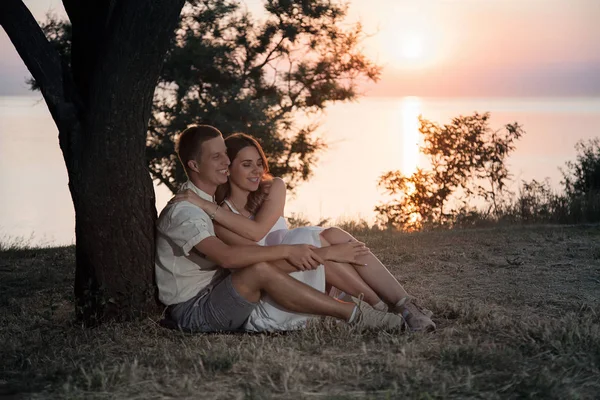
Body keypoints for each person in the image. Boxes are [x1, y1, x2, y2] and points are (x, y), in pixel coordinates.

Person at [170, 132, 436, 332]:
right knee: (307, 238)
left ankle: (402, 304)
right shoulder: (221, 219)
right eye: (246, 164)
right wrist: (326, 253)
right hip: (278, 291)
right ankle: (378, 306)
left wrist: (324, 251)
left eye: (259, 163)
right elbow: (262, 262)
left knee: (328, 234)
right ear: (229, 169)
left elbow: (259, 230)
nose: (257, 171)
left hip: (307, 272)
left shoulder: (272, 188)